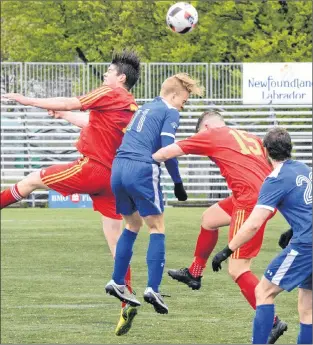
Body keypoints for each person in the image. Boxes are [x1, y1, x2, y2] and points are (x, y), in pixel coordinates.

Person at [1, 50, 141, 336]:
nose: (105, 76)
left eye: (108, 72)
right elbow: (93, 125)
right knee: (115, 242)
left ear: (120, 78)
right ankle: (126, 298)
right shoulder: (129, 105)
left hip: (92, 169)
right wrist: (65, 115)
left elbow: (70, 100)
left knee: (31, 180)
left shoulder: (110, 92)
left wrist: (28, 100)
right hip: (112, 178)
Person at [152, 111, 287, 343]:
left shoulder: (211, 134)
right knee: (209, 219)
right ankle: (195, 273)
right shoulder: (248, 136)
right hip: (259, 195)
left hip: (249, 200)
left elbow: (166, 152)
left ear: (205, 127)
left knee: (238, 269)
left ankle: (272, 320)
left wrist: (137, 159)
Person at [104, 73, 204, 314]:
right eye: (185, 99)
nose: (184, 104)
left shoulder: (145, 108)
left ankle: (117, 281)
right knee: (157, 227)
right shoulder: (171, 111)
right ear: (174, 95)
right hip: (142, 168)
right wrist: (179, 182)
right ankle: (153, 288)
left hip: (118, 167)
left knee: (132, 225)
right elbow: (167, 147)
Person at [212, 127, 312, 344]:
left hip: (307, 246)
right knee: (307, 309)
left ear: (265, 151)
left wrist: (226, 250)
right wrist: (293, 228)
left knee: (264, 292)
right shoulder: (304, 168)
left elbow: (253, 225)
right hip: (307, 239)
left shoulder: (275, 179)